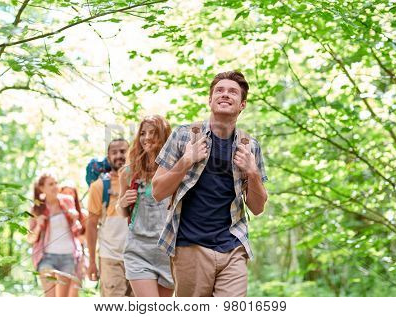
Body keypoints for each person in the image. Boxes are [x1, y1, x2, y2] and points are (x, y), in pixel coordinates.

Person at [152, 70, 268, 297]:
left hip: (233, 246)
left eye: (233, 92)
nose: (225, 95)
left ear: (242, 104)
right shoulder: (184, 135)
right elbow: (157, 191)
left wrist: (253, 173)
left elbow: (258, 207)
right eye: (220, 90)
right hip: (190, 247)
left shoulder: (249, 145)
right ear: (210, 99)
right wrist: (186, 160)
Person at [117, 115, 174, 297]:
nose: (147, 137)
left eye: (153, 133)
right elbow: (121, 211)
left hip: (168, 252)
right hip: (138, 250)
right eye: (143, 133)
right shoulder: (129, 172)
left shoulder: (176, 170)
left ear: (164, 137)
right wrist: (123, 202)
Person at [86, 138, 133, 296]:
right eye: (114, 152)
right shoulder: (99, 186)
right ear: (108, 158)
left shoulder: (138, 182)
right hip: (110, 258)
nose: (119, 155)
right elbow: (91, 226)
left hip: (138, 257)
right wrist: (92, 262)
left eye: (123, 151)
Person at [28, 173, 84, 297]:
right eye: (51, 184)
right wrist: (38, 225)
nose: (55, 187)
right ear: (42, 188)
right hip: (46, 257)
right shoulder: (37, 208)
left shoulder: (67, 201)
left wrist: (74, 218)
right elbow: (30, 238)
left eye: (56, 183)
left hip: (68, 256)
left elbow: (77, 230)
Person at [60, 182, 88, 297]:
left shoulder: (83, 215)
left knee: (73, 293)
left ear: (75, 195)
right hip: (58, 258)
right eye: (65, 193)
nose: (68, 195)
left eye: (70, 193)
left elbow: (86, 237)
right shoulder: (55, 216)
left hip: (78, 259)